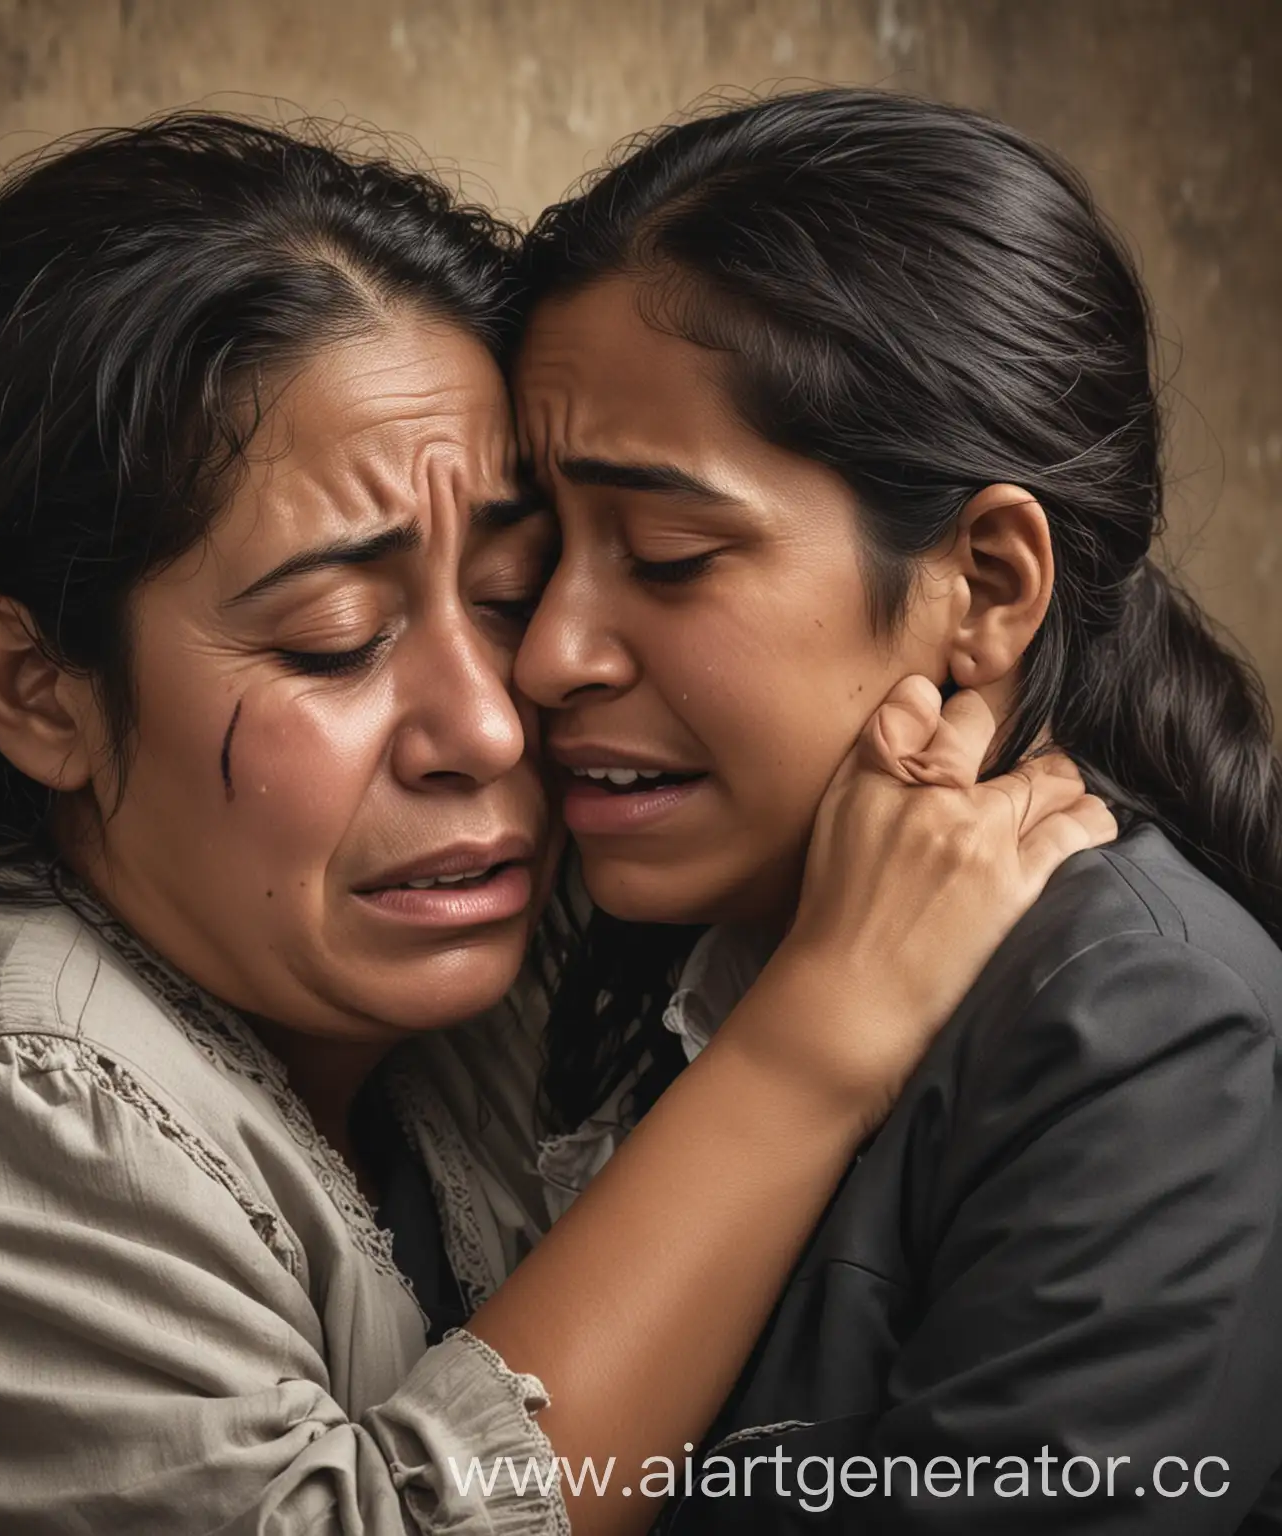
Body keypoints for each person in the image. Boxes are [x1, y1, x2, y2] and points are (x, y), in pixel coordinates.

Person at [0, 114, 1108, 1536]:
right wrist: (814, 1043)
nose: (494, 725)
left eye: (511, 593)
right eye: (336, 641)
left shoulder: (493, 993)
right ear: (43, 693)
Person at [512, 86, 1282, 1532]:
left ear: (985, 585)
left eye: (668, 552)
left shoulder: (1147, 1036)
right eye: (532, 552)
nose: (548, 653)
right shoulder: (635, 947)